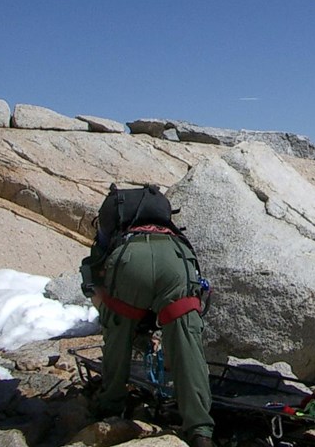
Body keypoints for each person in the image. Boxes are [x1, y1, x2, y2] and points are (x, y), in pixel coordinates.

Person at [82, 184, 216, 447]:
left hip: (129, 262)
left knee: (118, 328)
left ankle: (110, 405)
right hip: (175, 261)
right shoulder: (170, 230)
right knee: (186, 341)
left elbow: (95, 276)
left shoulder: (111, 232)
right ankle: (200, 428)